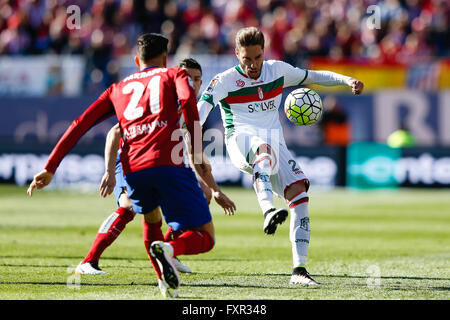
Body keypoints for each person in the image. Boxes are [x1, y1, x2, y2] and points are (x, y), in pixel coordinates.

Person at [27, 33, 236, 297]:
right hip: (167, 164)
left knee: (151, 219)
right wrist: (195, 150)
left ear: (137, 59)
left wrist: (50, 166)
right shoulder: (174, 75)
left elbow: (80, 124)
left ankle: (165, 282)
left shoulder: (117, 88)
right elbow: (187, 102)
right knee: (206, 237)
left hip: (134, 169)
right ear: (166, 59)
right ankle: (168, 250)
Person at [197, 27, 364, 286]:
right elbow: (201, 109)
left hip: (276, 144)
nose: (253, 65)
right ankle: (267, 210)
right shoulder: (224, 80)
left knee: (300, 194)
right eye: (246, 59)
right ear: (236, 54)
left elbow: (315, 75)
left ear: (264, 52)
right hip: (240, 140)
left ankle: (299, 271)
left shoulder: (278, 70)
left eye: (257, 57)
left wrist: (347, 80)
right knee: (263, 150)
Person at [75, 59, 232, 286]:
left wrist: (215, 190)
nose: (193, 83)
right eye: (188, 78)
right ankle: (88, 261)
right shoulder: (160, 100)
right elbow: (115, 132)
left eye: (197, 79)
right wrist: (109, 171)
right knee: (128, 207)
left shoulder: (187, 108)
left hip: (159, 163)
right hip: (127, 160)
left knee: (203, 194)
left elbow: (194, 152)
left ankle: (168, 251)